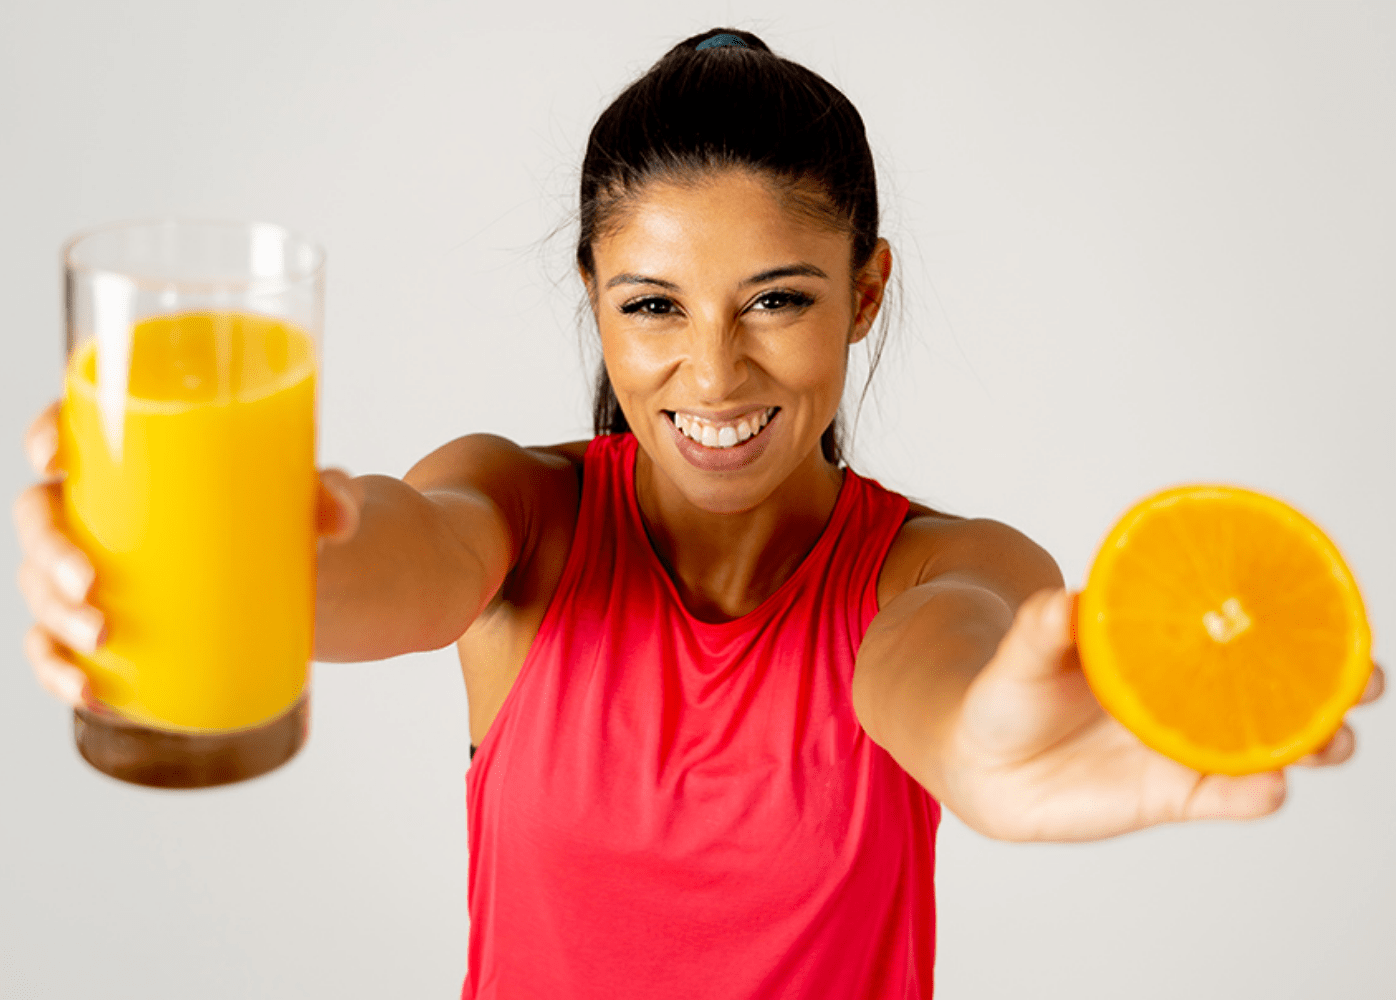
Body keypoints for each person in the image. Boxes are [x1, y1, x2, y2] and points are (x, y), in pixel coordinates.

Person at [14, 27, 1384, 999]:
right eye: (653, 306)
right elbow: (389, 552)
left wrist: (979, 746)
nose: (712, 373)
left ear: (866, 291)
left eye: (778, 299)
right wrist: (211, 550)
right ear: (593, 296)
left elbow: (949, 677)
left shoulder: (941, 572)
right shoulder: (519, 511)